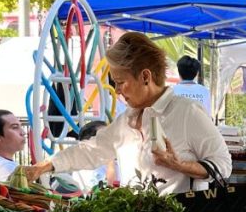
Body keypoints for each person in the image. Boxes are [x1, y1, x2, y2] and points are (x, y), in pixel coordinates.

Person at [23, 32, 231, 195]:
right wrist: (47, 165)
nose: (118, 90)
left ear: (145, 77)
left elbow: (223, 165)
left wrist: (178, 165)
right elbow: (92, 150)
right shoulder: (127, 120)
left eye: (121, 82)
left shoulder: (186, 112)